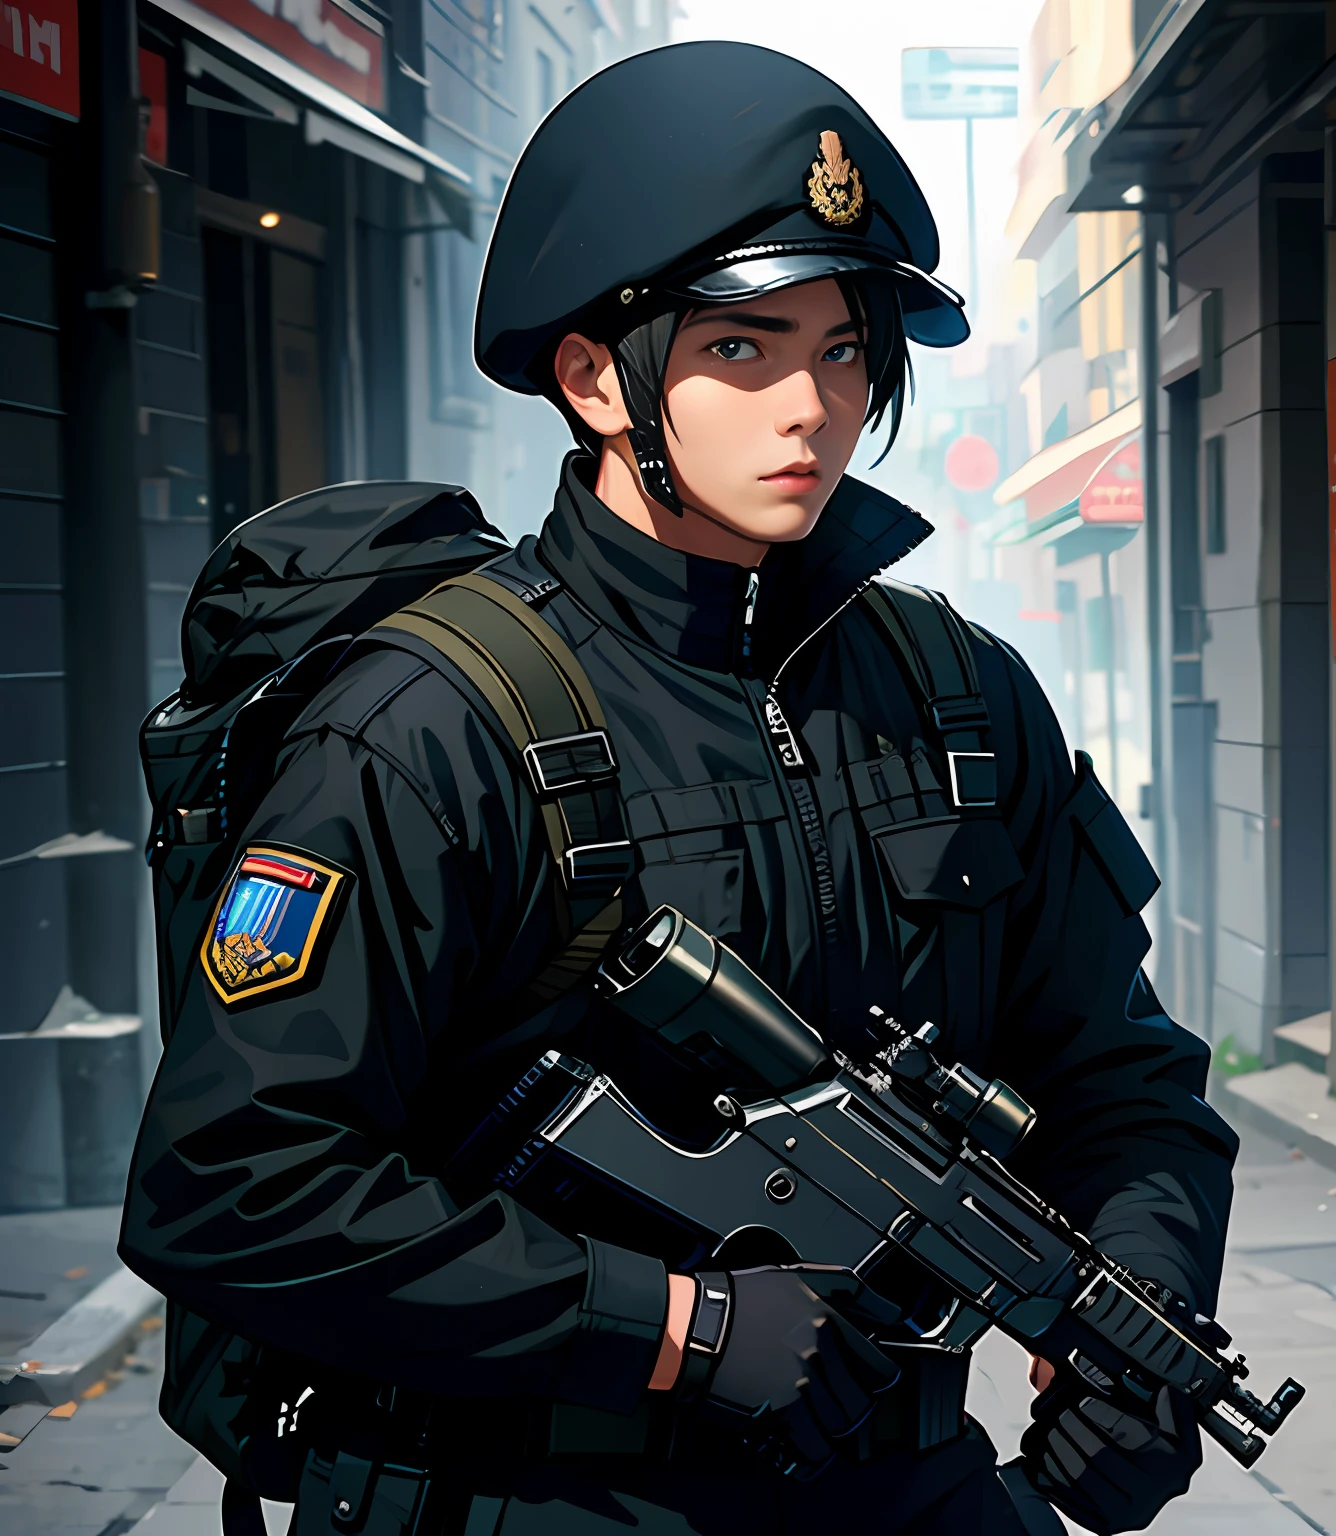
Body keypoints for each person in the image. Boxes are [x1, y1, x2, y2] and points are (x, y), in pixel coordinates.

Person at [121, 41, 1238, 1536]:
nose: (812, 408)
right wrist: (663, 1328)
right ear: (594, 376)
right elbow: (234, 1182)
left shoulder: (962, 701)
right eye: (741, 348)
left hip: (903, 1492)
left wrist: (1132, 1324)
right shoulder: (427, 723)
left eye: (845, 349)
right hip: (530, 1502)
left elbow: (1122, 1075)